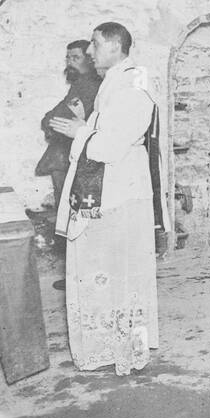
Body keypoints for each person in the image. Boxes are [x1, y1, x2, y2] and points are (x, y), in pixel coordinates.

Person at [51, 22, 159, 375]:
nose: (89, 52)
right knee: (103, 270)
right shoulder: (115, 81)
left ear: (114, 46)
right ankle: (103, 346)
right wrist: (87, 125)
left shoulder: (133, 82)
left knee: (119, 271)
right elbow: (107, 128)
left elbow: (111, 144)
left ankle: (125, 349)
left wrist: (80, 131)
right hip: (108, 186)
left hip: (120, 189)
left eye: (95, 45)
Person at [36, 40, 101, 220]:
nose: (70, 62)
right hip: (71, 155)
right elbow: (55, 115)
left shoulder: (89, 86)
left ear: (89, 60)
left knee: (69, 211)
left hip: (73, 157)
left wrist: (49, 120)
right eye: (68, 58)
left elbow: (57, 116)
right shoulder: (79, 84)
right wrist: (49, 119)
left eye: (75, 57)